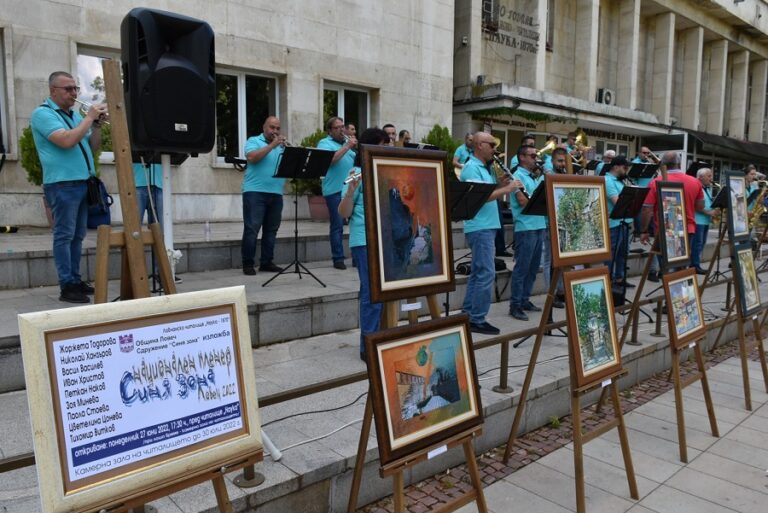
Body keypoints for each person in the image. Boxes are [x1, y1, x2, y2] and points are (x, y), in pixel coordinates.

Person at [31, 71, 107, 303]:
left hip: (82, 183)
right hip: (62, 184)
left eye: (76, 88)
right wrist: (88, 119)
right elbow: (66, 141)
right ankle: (67, 285)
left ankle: (74, 279)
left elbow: (92, 147)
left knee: (78, 235)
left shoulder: (73, 116)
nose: (74, 93)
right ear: (53, 91)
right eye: (68, 89)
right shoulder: (43, 114)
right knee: (64, 235)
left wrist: (96, 127)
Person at [460, 132, 519, 334]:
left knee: (479, 273)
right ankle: (477, 318)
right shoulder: (471, 168)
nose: (495, 149)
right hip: (479, 226)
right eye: (491, 145)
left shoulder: (484, 169)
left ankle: (468, 314)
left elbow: (489, 191)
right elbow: (481, 198)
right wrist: (508, 189)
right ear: (479, 145)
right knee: (486, 274)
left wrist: (502, 184)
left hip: (487, 226)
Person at [339, 127, 390, 360]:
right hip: (364, 240)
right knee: (371, 292)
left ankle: (377, 337)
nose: (386, 148)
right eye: (381, 144)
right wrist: (350, 193)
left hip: (385, 239)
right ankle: (368, 346)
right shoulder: (355, 172)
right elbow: (343, 212)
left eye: (387, 144)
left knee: (379, 291)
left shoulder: (388, 171)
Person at [639, 152, 704, 276]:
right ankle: (679, 293)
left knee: (666, 270)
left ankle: (667, 290)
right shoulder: (695, 182)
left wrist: (644, 230)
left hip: (664, 230)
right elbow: (700, 206)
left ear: (663, 164)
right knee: (680, 268)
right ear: (679, 163)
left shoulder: (655, 182)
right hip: (688, 228)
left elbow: (647, 209)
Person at [241, 116, 287, 276]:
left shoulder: (281, 146)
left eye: (277, 128)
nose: (275, 131)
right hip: (255, 192)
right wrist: (273, 145)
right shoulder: (254, 141)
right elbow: (252, 158)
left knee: (271, 230)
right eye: (272, 127)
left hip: (276, 193)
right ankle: (248, 264)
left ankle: (266, 262)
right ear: (264, 127)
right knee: (252, 229)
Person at [509, 144, 547, 321]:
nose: (535, 159)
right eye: (532, 156)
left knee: (533, 268)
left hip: (539, 224)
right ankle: (515, 305)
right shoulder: (516, 176)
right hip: (525, 227)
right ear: (522, 158)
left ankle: (525, 299)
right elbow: (523, 201)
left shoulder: (534, 177)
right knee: (522, 268)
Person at [318, 116, 357, 269]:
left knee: (355, 223)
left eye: (343, 127)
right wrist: (348, 146)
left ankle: (356, 257)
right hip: (334, 190)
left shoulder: (347, 145)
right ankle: (338, 258)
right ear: (329, 131)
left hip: (350, 189)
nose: (342, 130)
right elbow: (330, 160)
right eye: (337, 128)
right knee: (337, 225)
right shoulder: (324, 143)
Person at [604, 156, 634, 286]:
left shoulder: (621, 181)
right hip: (614, 223)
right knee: (612, 254)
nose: (626, 170)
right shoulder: (608, 180)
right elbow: (617, 202)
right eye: (624, 167)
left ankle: (620, 278)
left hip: (624, 222)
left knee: (623, 253)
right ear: (616, 167)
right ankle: (608, 280)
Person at [692, 167, 715, 274]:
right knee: (697, 244)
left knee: (702, 243)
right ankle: (694, 265)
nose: (711, 178)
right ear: (700, 177)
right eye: (709, 176)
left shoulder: (706, 188)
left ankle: (694, 264)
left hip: (705, 221)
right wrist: (709, 212)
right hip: (698, 221)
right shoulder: (697, 187)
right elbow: (696, 206)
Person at [133, 161, 163, 227]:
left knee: (158, 224)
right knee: (136, 221)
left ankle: (159, 237)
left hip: (158, 183)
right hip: (138, 183)